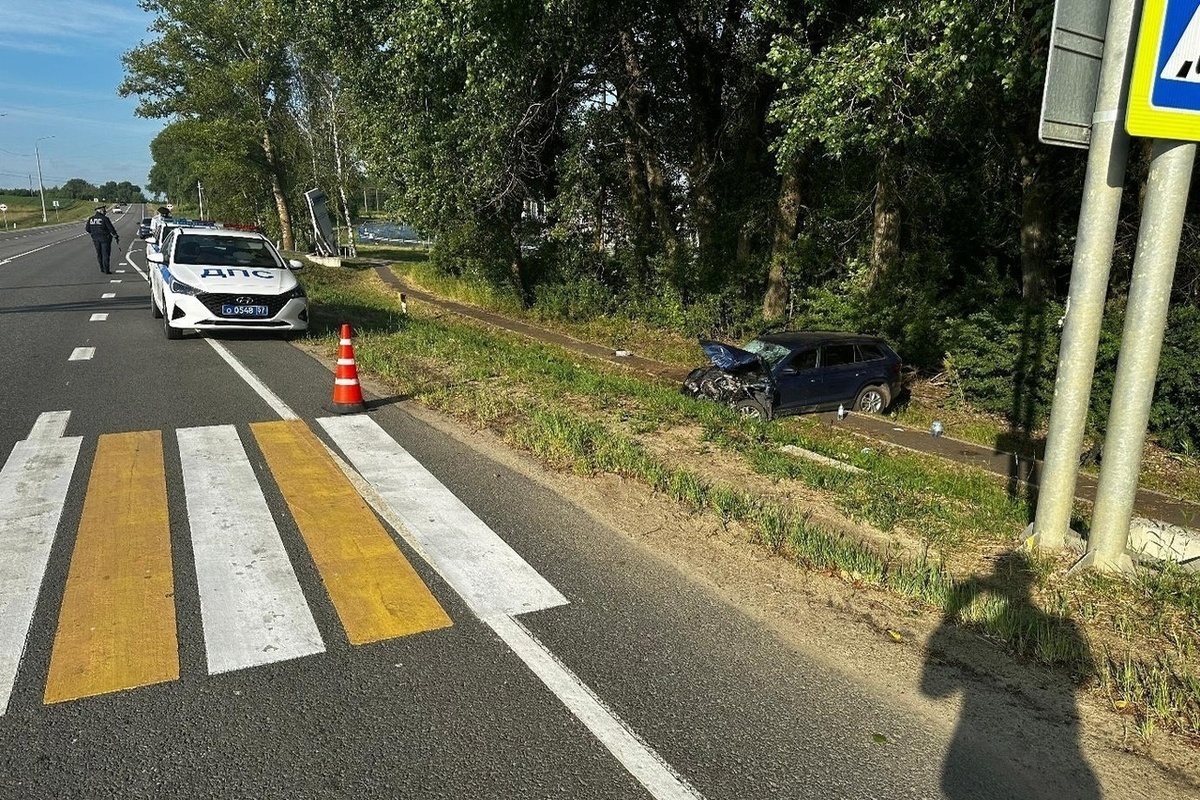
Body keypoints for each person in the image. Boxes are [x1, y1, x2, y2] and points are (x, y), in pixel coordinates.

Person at [84, 206, 120, 274]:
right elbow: (111, 229)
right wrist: (116, 236)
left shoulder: (91, 219)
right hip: (105, 239)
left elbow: (87, 229)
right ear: (100, 211)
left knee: (99, 254)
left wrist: (94, 232)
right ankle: (106, 269)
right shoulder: (105, 219)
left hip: (95, 239)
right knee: (105, 254)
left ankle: (102, 268)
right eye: (104, 210)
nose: (105, 211)